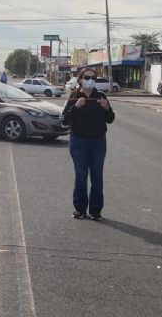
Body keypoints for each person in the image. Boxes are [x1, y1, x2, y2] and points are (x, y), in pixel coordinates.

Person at [61, 69, 115, 221]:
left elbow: (110, 119)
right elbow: (65, 119)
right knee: (81, 176)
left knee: (97, 177)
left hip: (98, 142)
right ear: (80, 80)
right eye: (87, 77)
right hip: (78, 142)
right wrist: (76, 107)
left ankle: (96, 210)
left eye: (93, 77)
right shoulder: (74, 97)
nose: (90, 80)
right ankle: (80, 209)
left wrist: (106, 108)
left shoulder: (101, 97)